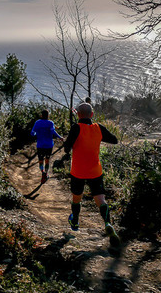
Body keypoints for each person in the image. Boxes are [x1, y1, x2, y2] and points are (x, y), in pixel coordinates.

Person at [63, 102, 120, 247]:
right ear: (92, 115)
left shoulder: (76, 128)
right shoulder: (98, 128)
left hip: (78, 171)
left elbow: (66, 149)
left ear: (78, 114)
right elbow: (114, 140)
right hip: (95, 171)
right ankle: (107, 222)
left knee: (77, 198)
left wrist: (67, 143)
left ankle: (75, 221)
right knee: (101, 199)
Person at [31, 109, 63, 184]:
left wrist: (36, 134)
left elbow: (32, 133)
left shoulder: (37, 122)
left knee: (41, 161)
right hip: (49, 145)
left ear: (41, 115)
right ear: (48, 116)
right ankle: (47, 173)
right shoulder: (50, 123)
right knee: (47, 160)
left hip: (40, 145)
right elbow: (53, 131)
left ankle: (43, 173)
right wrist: (60, 137)